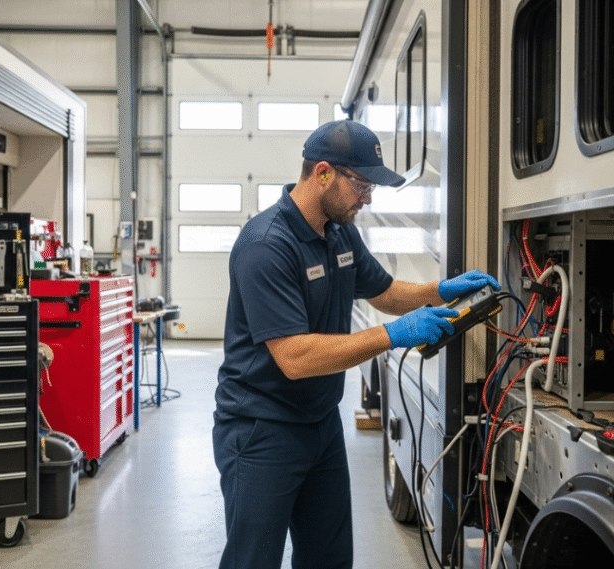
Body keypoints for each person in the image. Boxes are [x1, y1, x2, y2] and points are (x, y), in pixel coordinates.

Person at [212, 119, 499, 569]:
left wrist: (440, 291)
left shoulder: (339, 230)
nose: (368, 198)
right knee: (254, 560)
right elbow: (294, 357)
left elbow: (383, 292)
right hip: (261, 428)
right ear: (323, 173)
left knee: (328, 558)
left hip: (320, 424)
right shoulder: (267, 245)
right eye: (362, 184)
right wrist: (391, 336)